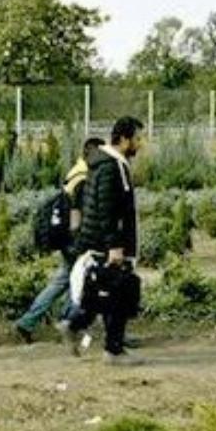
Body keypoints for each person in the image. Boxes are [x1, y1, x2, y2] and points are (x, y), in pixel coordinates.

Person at [64, 116, 145, 365]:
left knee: (104, 293)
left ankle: (75, 325)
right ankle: (113, 351)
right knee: (118, 294)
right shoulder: (111, 167)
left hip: (100, 242)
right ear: (123, 139)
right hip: (106, 244)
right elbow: (108, 210)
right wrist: (115, 246)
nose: (140, 145)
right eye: (137, 139)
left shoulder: (104, 164)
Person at [14, 137, 104, 342]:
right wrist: (82, 241)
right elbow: (77, 213)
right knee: (80, 282)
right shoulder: (83, 178)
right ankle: (66, 323)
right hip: (75, 239)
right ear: (92, 153)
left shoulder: (75, 172)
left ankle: (28, 322)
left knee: (62, 281)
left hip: (65, 237)